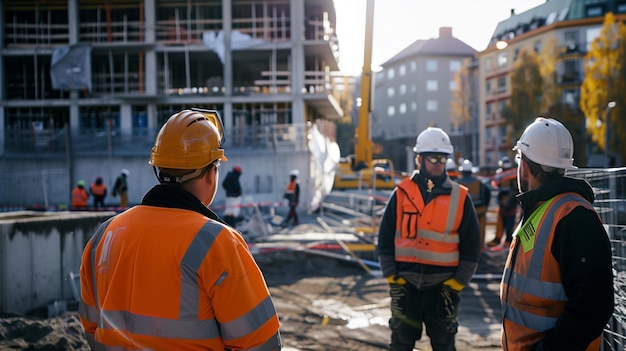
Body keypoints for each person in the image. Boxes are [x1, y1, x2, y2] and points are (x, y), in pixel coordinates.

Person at [79, 109, 282, 350]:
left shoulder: (103, 236)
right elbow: (261, 344)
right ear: (211, 173)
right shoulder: (217, 243)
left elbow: (91, 328)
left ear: (158, 170)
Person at [500, 117, 613, 351]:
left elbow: (594, 307)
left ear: (527, 166)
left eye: (519, 159)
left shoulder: (575, 217)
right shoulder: (543, 209)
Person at [377, 127, 481, 351]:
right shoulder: (401, 193)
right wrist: (393, 278)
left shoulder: (460, 197)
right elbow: (384, 239)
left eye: (443, 158)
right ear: (419, 159)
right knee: (401, 343)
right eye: (433, 158)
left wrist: (457, 283)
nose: (438, 163)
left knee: (444, 344)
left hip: (443, 289)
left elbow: (472, 246)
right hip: (406, 287)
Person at [456, 159, 491, 247]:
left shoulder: (457, 184)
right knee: (480, 232)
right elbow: (488, 194)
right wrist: (485, 207)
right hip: (480, 212)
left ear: (462, 171)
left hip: (463, 214)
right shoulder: (479, 183)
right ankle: (480, 249)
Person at [487, 156, 519, 249]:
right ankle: (500, 240)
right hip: (503, 204)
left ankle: (508, 241)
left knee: (509, 225)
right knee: (501, 224)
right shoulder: (503, 175)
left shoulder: (513, 176)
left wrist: (509, 203)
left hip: (510, 205)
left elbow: (515, 191)